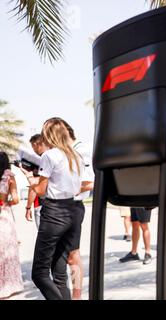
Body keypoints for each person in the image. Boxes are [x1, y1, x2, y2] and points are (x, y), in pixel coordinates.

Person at [21, 118, 83, 300]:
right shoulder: (75, 155)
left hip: (54, 213)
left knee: (39, 273)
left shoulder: (49, 155)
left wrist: (31, 180)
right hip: (72, 211)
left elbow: (40, 190)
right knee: (59, 273)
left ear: (48, 134)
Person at [49, 117, 94, 300]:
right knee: (59, 256)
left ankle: (77, 296)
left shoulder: (81, 150)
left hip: (73, 207)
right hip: (59, 207)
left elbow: (89, 183)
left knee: (73, 256)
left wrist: (61, 188)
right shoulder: (62, 153)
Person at [0, 152, 23, 299]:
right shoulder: (9, 177)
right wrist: (6, 202)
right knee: (6, 252)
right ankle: (7, 286)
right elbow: (16, 199)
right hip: (4, 217)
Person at [24, 134, 49, 229]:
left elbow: (34, 187)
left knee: (45, 240)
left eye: (33, 147)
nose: (33, 150)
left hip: (41, 204)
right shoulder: (54, 157)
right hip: (59, 205)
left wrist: (28, 207)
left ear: (36, 144)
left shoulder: (40, 161)